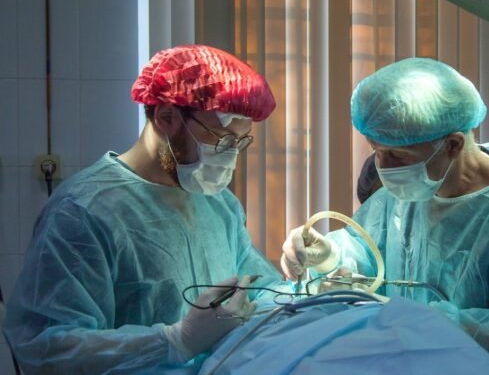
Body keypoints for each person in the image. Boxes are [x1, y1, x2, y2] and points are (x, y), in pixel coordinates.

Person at [281, 57, 489, 374]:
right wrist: (329, 256)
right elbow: (370, 257)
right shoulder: (412, 190)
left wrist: (424, 323)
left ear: (453, 144)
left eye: (398, 155)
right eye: (376, 151)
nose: (384, 167)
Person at [4, 45, 286, 374]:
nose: (230, 155)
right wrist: (175, 341)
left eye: (239, 142)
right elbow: (47, 349)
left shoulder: (218, 204)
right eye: (221, 140)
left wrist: (306, 282)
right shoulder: (82, 213)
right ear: (167, 117)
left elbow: (257, 285)